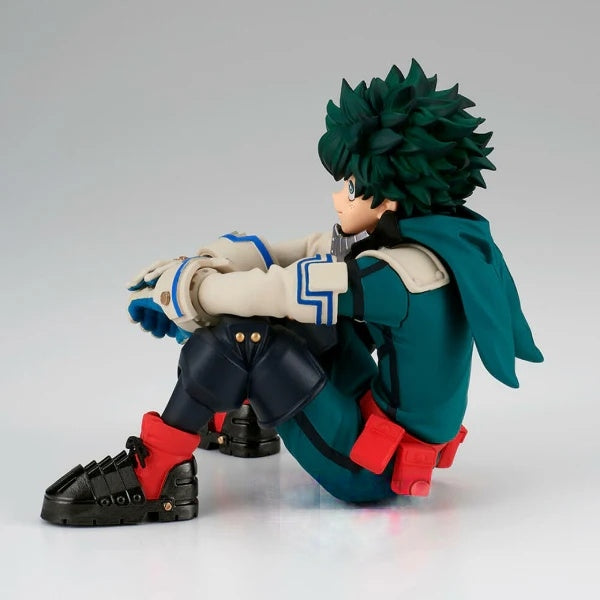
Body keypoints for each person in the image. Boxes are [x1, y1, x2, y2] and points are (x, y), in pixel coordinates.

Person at [41, 59, 543, 526]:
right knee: (287, 317)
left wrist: (190, 293)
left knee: (245, 339)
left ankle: (156, 474)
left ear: (389, 195)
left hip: (368, 467)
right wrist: (201, 268)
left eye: (351, 185)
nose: (338, 195)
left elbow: (286, 289)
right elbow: (303, 253)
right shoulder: (438, 246)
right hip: (377, 430)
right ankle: (238, 415)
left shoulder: (397, 278)